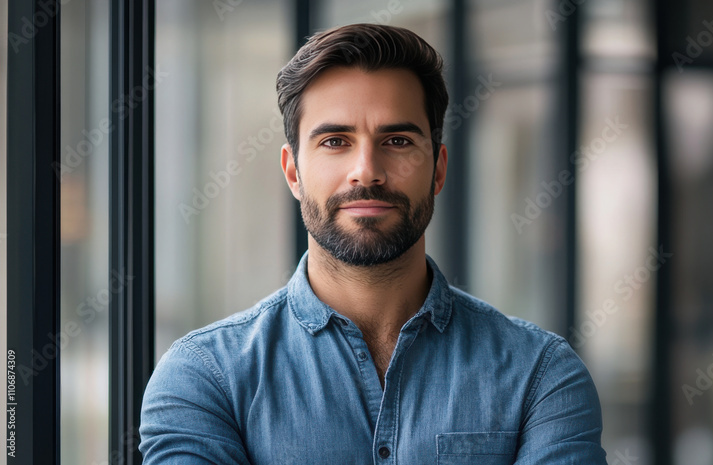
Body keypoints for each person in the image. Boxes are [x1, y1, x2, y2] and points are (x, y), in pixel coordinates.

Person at [139, 23, 607, 464]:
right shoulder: (204, 376)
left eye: (398, 140)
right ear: (292, 172)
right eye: (335, 141)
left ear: (439, 169)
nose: (367, 170)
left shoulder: (540, 376)